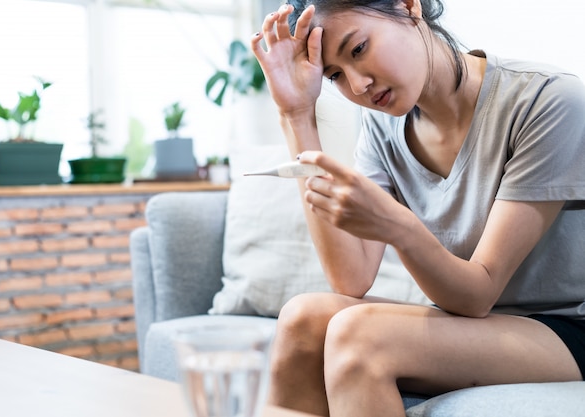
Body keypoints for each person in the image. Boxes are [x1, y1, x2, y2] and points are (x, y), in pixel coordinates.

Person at [250, 1, 585, 416]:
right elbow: (350, 277)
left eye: (358, 50)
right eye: (335, 74)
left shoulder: (546, 100)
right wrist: (296, 114)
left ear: (408, 7)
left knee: (361, 335)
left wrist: (397, 226)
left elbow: (478, 293)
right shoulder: (383, 127)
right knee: (303, 317)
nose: (357, 85)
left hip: (563, 329)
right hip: (469, 324)